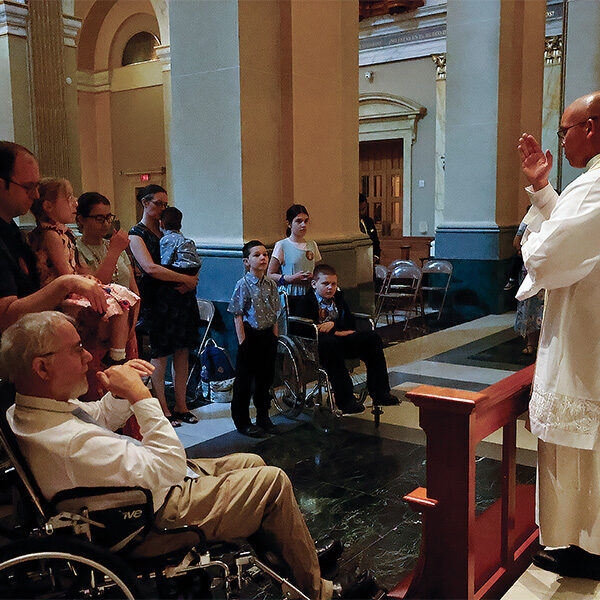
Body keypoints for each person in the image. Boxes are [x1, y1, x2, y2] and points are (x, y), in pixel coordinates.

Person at [0, 311, 374, 600]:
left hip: (134, 493)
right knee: (271, 481)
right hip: (148, 518)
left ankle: (288, 558)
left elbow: (94, 418)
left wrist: (121, 392)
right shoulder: (66, 443)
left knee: (252, 462)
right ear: (42, 367)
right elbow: (168, 465)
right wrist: (143, 399)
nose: (86, 356)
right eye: (76, 349)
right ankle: (317, 591)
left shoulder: (30, 412)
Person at [517, 91, 600, 579]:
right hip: (587, 331)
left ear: (591, 127)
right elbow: (574, 238)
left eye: (564, 130)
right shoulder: (588, 184)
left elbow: (547, 257)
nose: (560, 140)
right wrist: (543, 190)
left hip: (582, 343)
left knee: (575, 451)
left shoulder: (594, 186)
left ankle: (581, 548)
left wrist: (530, 238)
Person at [27, 178, 138, 367]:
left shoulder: (64, 234)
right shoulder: (51, 235)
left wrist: (87, 277)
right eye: (69, 197)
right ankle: (115, 356)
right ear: (48, 206)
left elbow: (80, 269)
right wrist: (85, 279)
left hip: (79, 291)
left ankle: (117, 354)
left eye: (108, 217)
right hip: (61, 294)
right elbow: (66, 275)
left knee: (124, 299)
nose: (75, 202)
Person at [0, 141, 106, 332]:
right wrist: (67, 283)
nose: (36, 195)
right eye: (28, 187)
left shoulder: (12, 231)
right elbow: (5, 318)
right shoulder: (48, 235)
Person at [128, 185, 200, 427]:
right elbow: (150, 268)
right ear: (144, 203)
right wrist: (185, 279)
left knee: (182, 352)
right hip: (157, 301)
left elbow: (187, 260)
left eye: (165, 205)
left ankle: (182, 405)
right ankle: (163, 409)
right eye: (158, 203)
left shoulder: (168, 231)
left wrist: (193, 279)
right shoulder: (136, 234)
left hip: (180, 301)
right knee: (161, 355)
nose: (162, 208)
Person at [293, 264, 398, 414]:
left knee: (372, 338)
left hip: (340, 337)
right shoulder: (306, 301)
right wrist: (335, 330)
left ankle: (380, 392)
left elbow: (349, 322)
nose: (330, 287)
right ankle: (345, 399)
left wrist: (333, 326)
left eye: (333, 284)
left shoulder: (339, 298)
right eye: (325, 284)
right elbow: (302, 328)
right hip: (318, 343)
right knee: (331, 344)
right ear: (314, 284)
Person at [228, 240, 281, 438]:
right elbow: (237, 313)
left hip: (268, 335)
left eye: (265, 254)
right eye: (257, 255)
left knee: (265, 378)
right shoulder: (243, 285)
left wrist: (274, 336)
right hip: (250, 336)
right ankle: (242, 421)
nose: (262, 258)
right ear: (246, 261)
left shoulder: (271, 284)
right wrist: (243, 341)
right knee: (244, 380)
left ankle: (263, 416)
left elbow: (275, 311)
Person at [268, 204, 321, 305]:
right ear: (289, 224)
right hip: (290, 294)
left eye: (306, 221)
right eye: (299, 221)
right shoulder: (282, 245)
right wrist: (290, 278)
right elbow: (270, 275)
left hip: (310, 293)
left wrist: (313, 277)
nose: (303, 225)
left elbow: (318, 271)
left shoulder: (312, 245)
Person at [512, 221, 544, 355]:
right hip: (531, 269)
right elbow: (516, 241)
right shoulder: (528, 220)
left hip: (546, 268)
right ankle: (531, 343)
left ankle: (543, 345)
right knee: (530, 307)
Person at [159, 206, 202, 274]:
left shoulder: (166, 239)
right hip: (195, 268)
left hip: (180, 269)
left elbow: (166, 262)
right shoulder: (183, 239)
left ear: (161, 224)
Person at [359, 194, 381, 264]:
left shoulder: (369, 221)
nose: (361, 213)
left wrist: (376, 257)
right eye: (359, 210)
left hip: (370, 262)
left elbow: (376, 242)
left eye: (363, 209)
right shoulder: (351, 224)